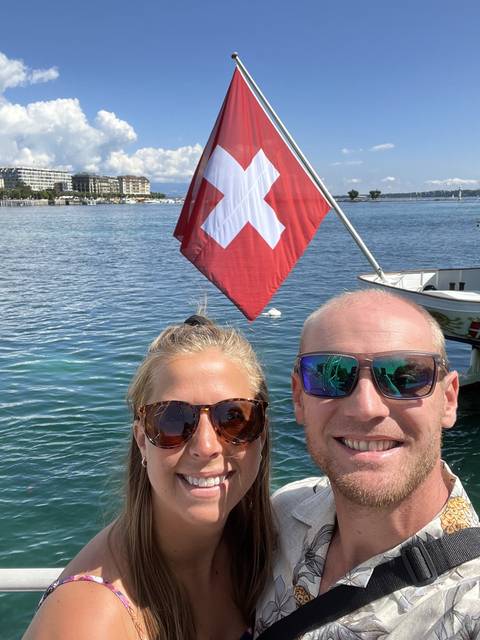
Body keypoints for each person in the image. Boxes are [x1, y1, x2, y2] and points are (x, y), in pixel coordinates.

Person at [24, 315, 275, 640]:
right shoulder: (89, 621)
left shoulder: (262, 551)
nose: (206, 446)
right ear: (142, 440)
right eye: (173, 419)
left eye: (233, 418)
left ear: (262, 433)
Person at [255, 290, 480, 638]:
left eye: (405, 376)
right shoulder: (285, 512)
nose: (365, 407)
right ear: (299, 398)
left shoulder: (469, 604)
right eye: (331, 375)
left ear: (449, 400)